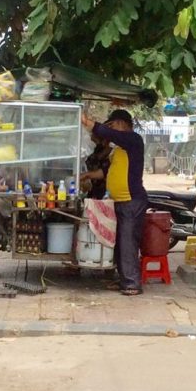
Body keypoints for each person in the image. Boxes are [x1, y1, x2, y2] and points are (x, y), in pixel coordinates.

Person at [81, 109, 147, 296]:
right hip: (118, 201)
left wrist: (89, 123)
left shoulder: (133, 140)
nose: (112, 130)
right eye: (109, 126)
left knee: (127, 243)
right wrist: (86, 175)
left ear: (123, 124)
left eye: (113, 125)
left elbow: (110, 134)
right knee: (119, 242)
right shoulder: (119, 150)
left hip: (131, 200)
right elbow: (105, 172)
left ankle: (132, 283)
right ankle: (123, 279)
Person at [80, 134, 112, 199]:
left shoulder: (112, 153)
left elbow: (103, 172)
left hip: (105, 189)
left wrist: (86, 175)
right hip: (93, 188)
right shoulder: (94, 150)